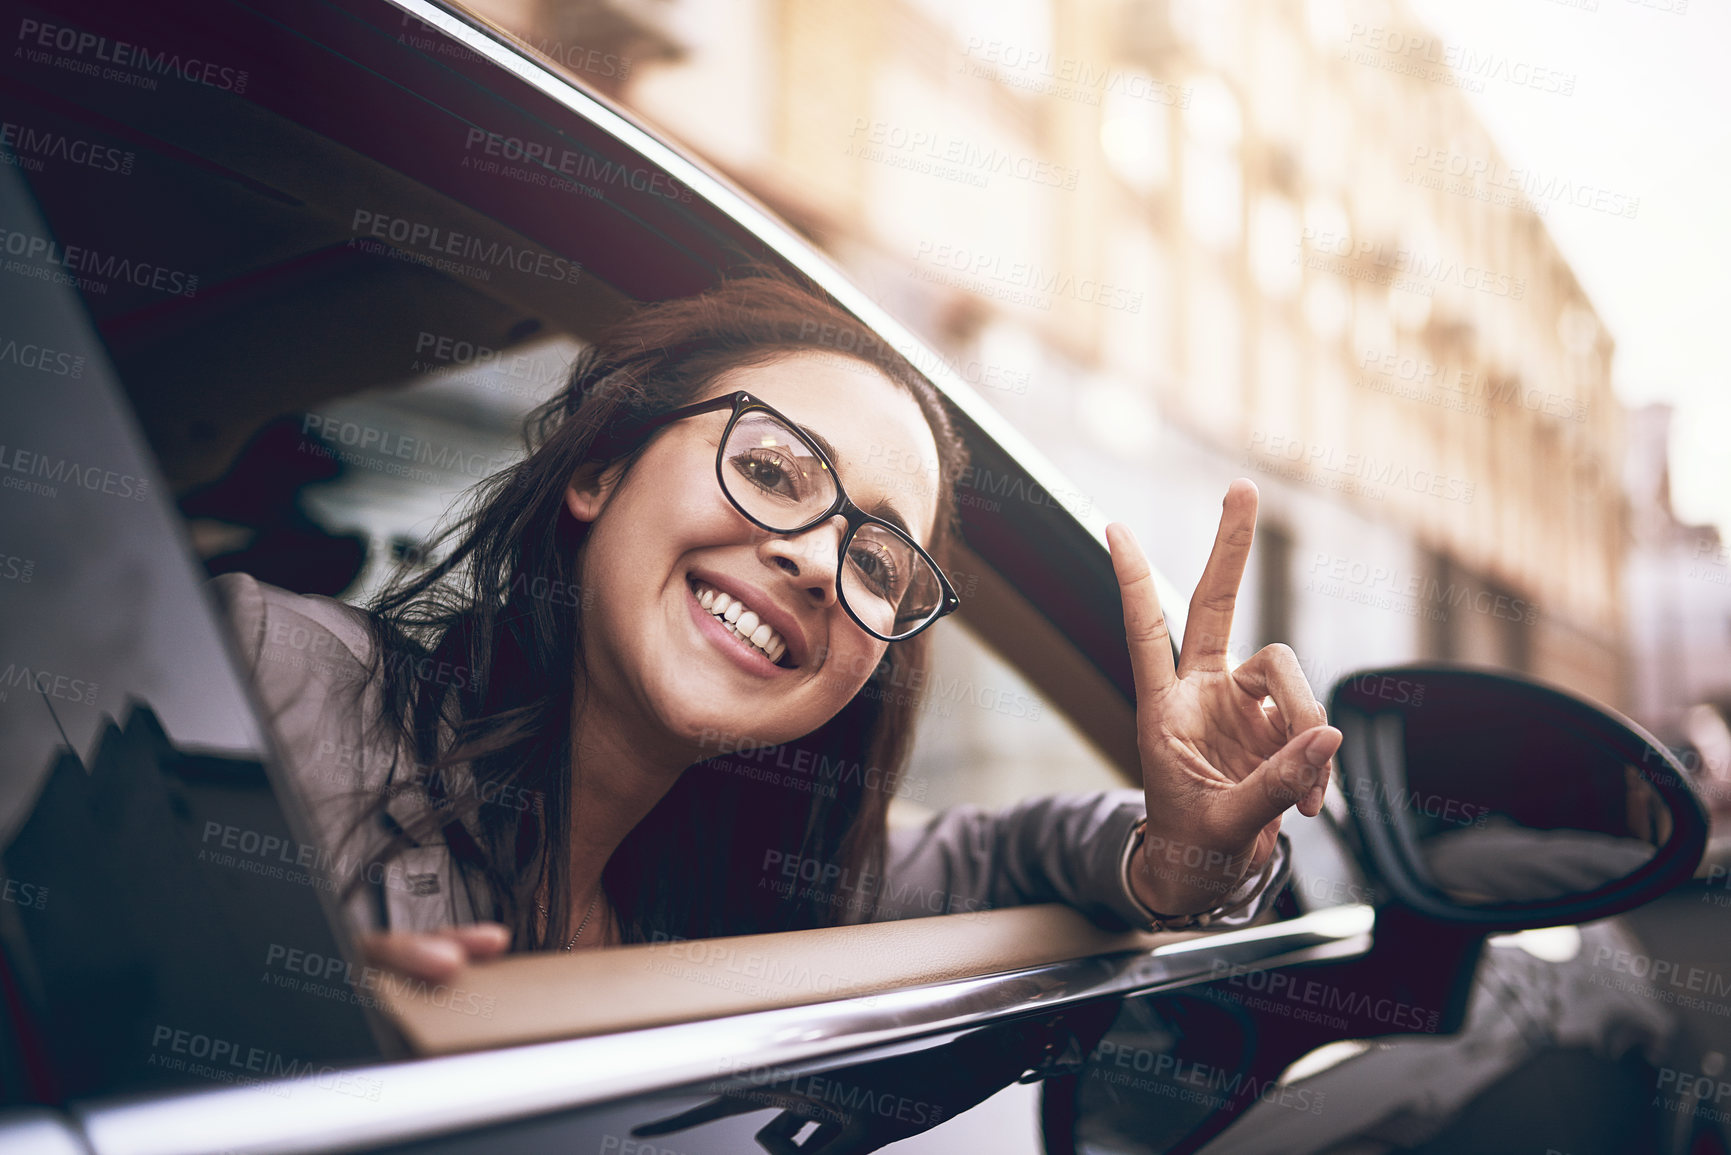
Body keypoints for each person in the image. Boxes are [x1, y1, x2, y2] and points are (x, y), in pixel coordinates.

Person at [209, 269, 1340, 983]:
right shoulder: (264, 674)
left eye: (879, 559)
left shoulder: (772, 882)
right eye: (769, 469)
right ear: (601, 470)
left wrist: (1187, 853)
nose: (809, 558)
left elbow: (1010, 858)